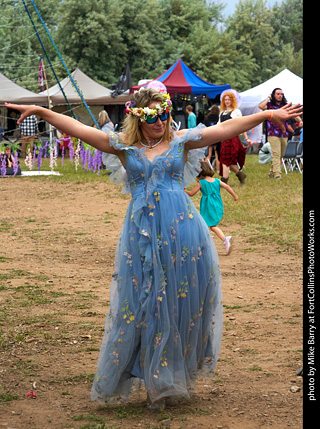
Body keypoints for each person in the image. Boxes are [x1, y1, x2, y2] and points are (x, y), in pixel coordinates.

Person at [4, 88, 302, 409]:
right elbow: (80, 130)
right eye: (153, 117)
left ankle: (168, 376)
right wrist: (43, 111)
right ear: (137, 117)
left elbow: (225, 129)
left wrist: (268, 115)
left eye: (164, 115)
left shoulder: (182, 140)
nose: (161, 121)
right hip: (140, 238)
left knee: (177, 302)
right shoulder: (122, 146)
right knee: (145, 303)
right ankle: (151, 377)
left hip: (184, 234)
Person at [185, 161, 238, 255]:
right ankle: (208, 243)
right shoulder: (216, 180)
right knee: (208, 226)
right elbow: (227, 186)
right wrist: (234, 196)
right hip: (217, 205)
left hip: (207, 206)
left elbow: (192, 194)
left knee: (209, 226)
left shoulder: (201, 183)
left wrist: (184, 191)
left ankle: (224, 239)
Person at [218, 92, 251, 185]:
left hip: (232, 138)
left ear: (232, 101)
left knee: (226, 159)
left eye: (229, 99)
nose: (227, 101)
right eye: (225, 99)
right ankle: (240, 175)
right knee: (228, 160)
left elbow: (241, 125)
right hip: (224, 138)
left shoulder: (236, 112)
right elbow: (218, 126)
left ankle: (224, 181)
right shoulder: (222, 113)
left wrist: (246, 138)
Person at [258, 88, 292, 179]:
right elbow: (261, 106)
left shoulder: (284, 105)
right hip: (273, 133)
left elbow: (291, 114)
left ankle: (271, 172)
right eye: (277, 94)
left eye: (281, 94)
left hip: (284, 133)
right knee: (276, 153)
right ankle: (277, 174)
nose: (280, 95)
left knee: (281, 154)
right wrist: (268, 98)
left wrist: (299, 121)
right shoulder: (269, 106)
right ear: (273, 95)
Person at [204, 106, 220, 171]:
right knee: (217, 155)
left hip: (209, 136)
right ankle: (218, 169)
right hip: (217, 136)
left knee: (209, 154)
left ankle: (206, 169)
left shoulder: (206, 118)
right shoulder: (219, 118)